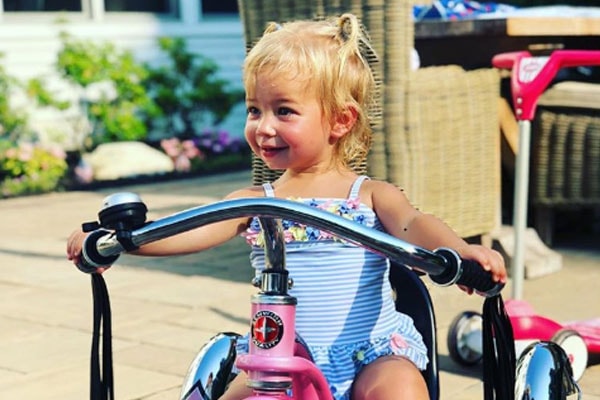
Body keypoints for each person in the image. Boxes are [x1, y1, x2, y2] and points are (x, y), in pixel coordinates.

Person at [67, 13, 506, 400]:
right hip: (282, 354)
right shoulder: (255, 202)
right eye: (254, 110)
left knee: (398, 388)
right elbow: (192, 229)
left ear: (340, 120)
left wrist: (460, 252)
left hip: (369, 353)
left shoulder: (370, 195)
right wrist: (122, 241)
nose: (263, 127)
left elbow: (413, 225)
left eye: (284, 111)